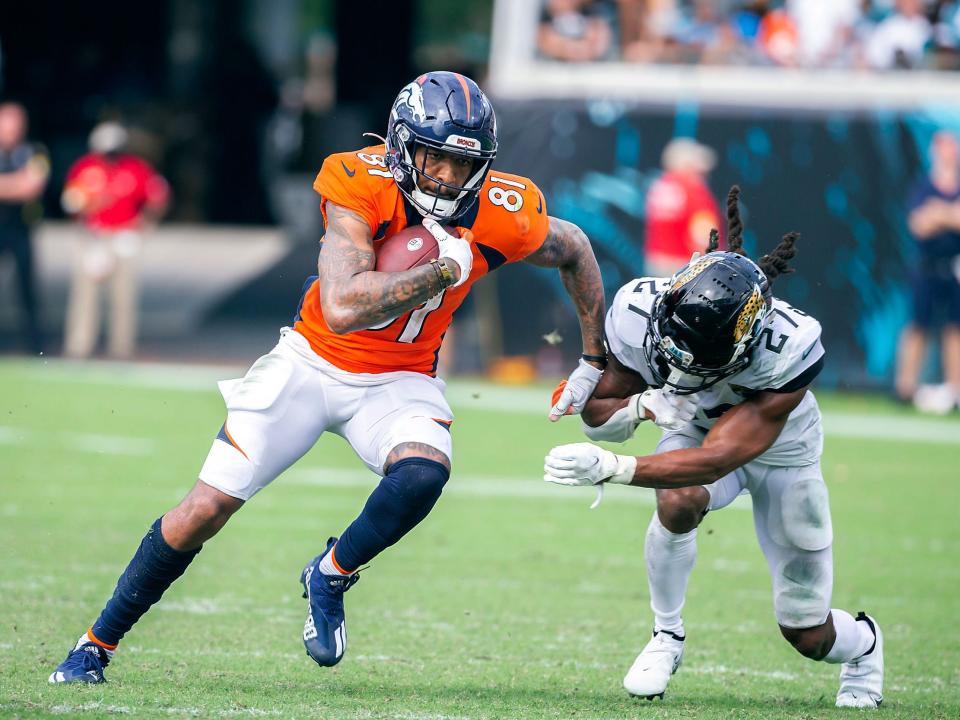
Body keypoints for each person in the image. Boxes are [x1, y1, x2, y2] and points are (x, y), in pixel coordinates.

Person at [49, 71, 607, 684]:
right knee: (204, 508)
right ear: (400, 145)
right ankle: (94, 646)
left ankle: (331, 573)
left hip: (400, 378)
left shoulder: (504, 209)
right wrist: (438, 274)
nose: (446, 175)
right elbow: (342, 307)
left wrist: (593, 359)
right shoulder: (356, 178)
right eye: (433, 156)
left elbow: (575, 248)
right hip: (310, 364)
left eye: (460, 162)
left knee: (424, 473)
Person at [544, 186, 884, 709]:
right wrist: (639, 409)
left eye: (697, 356)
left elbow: (719, 457)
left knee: (807, 632)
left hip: (781, 453)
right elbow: (598, 415)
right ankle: (666, 635)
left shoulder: (787, 349)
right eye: (671, 344)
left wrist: (615, 467)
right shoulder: (639, 308)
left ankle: (864, 645)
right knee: (677, 501)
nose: (678, 365)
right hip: (697, 430)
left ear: (746, 343)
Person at [61, 121, 169, 359]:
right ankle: (79, 345)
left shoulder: (135, 168)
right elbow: (71, 202)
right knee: (85, 294)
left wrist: (143, 224)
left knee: (123, 295)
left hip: (123, 236)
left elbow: (158, 195)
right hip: (94, 236)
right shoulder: (86, 168)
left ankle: (121, 347)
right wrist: (83, 223)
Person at [895, 130, 960, 409]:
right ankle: (905, 388)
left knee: (954, 330)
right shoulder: (923, 186)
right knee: (917, 326)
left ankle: (955, 390)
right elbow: (918, 224)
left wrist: (938, 213)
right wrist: (949, 214)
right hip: (926, 269)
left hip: (954, 269)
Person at [0, 102, 50, 354]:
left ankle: (34, 347)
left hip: (21, 230)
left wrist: (7, 186)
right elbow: (22, 185)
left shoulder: (34, 151)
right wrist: (16, 185)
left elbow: (33, 186)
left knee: (27, 291)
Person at [643, 137, 722, 278]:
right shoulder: (693, 190)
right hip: (685, 267)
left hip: (657, 263)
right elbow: (703, 236)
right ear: (687, 165)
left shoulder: (660, 185)